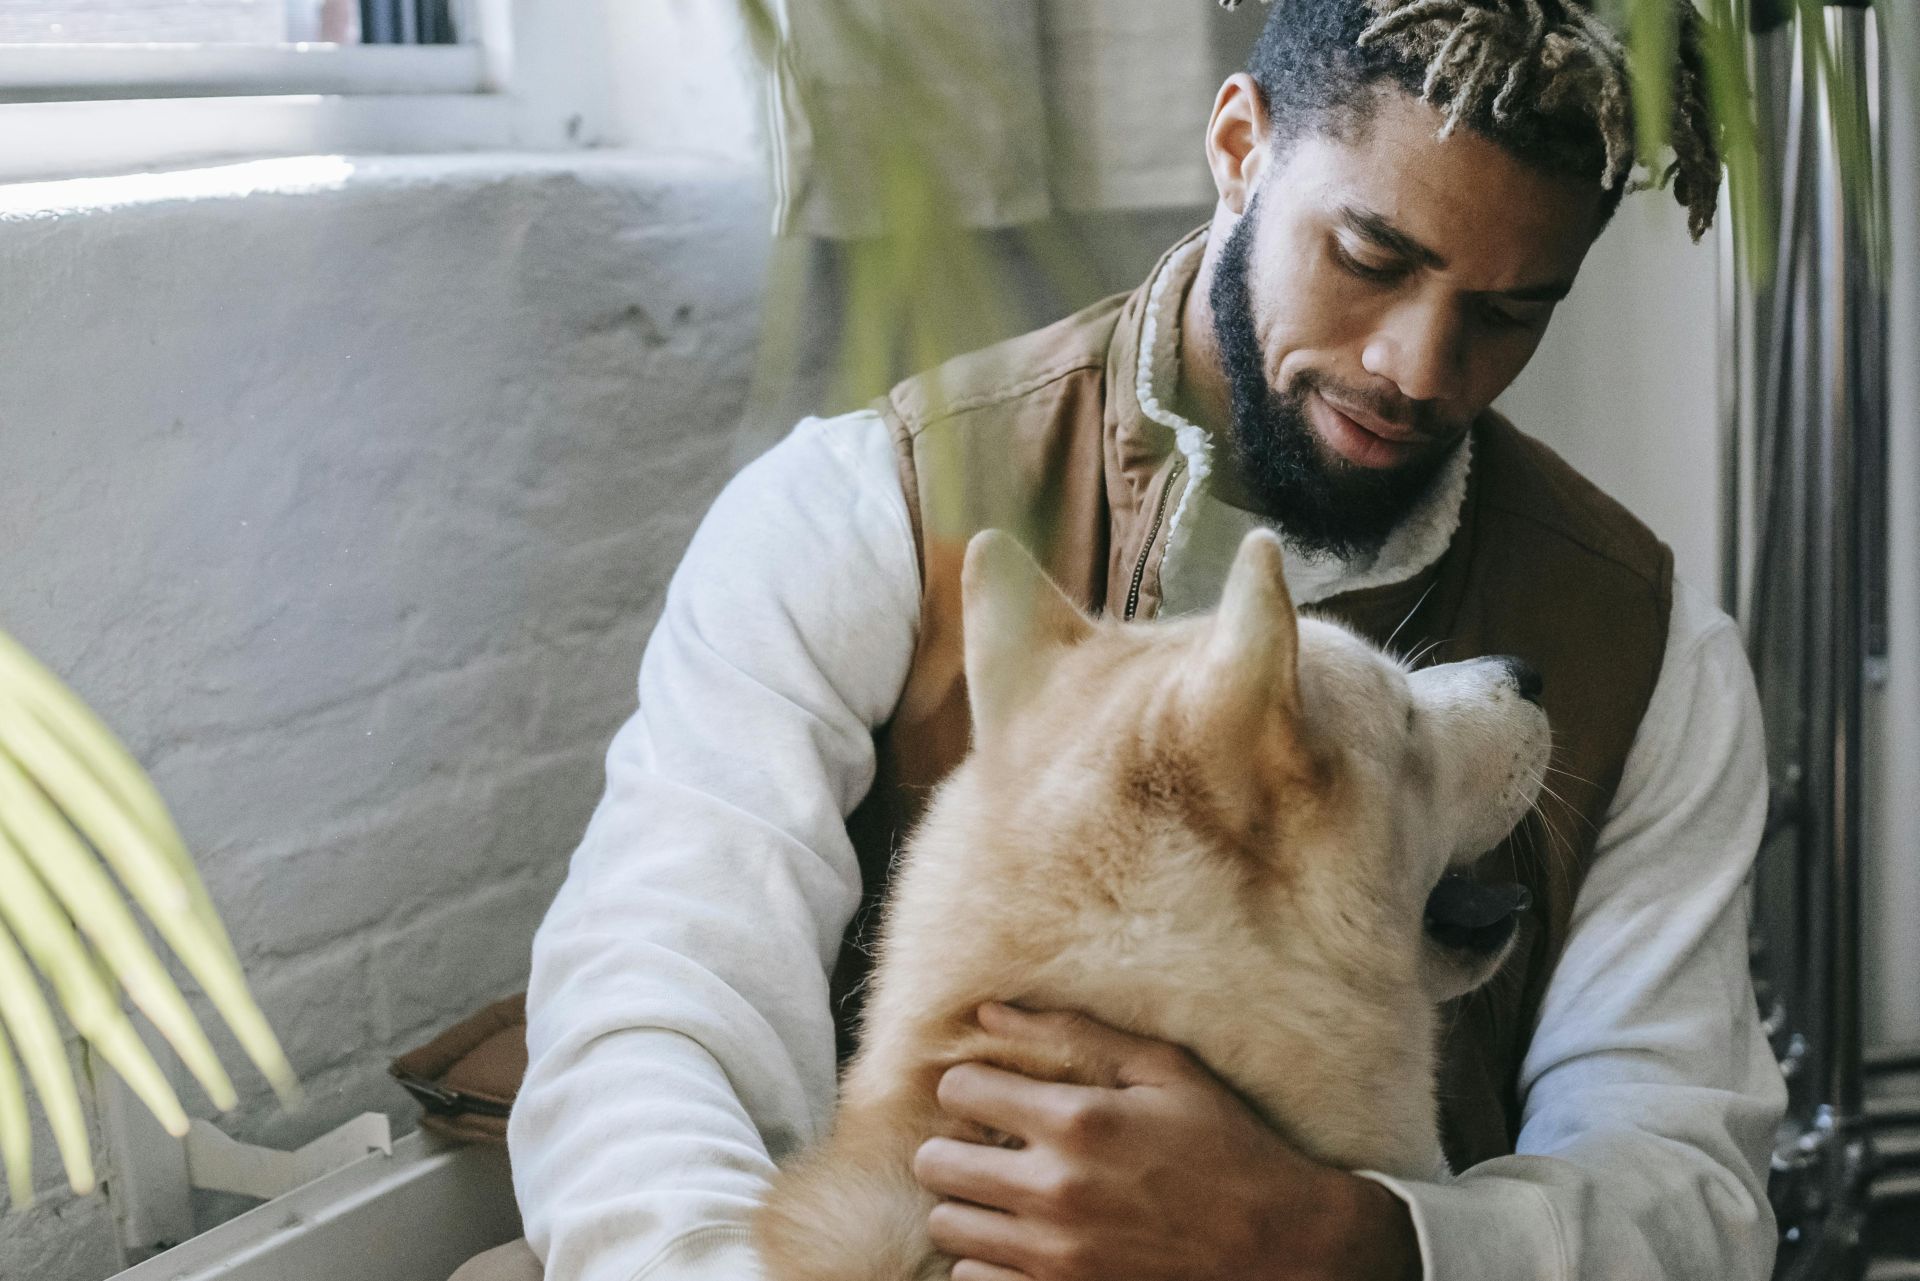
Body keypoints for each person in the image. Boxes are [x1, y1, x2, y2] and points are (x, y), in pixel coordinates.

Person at [457, 0, 1787, 1277]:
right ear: (1236, 147)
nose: (1420, 366)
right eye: (1372, 258)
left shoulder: (1646, 653)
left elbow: (1687, 1185)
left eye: (1508, 314)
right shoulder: (863, 515)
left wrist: (1351, 1247)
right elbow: (655, 1007)